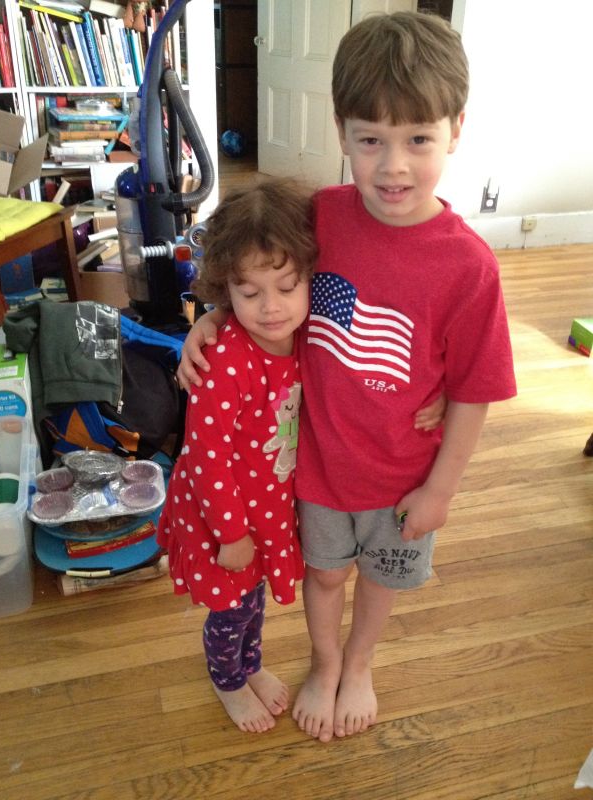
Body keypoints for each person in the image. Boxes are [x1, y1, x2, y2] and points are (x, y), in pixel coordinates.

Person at [177, 11, 516, 743]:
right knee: (326, 577)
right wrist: (214, 318)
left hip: (404, 478)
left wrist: (441, 489)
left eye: (418, 139)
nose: (393, 166)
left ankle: (359, 664)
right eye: (370, 140)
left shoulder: (470, 267)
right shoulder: (319, 216)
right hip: (317, 468)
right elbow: (254, 267)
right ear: (340, 132)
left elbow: (474, 392)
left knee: (382, 582)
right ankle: (326, 662)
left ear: (456, 130)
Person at [157, 179, 317, 733]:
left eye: (287, 286)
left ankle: (250, 665)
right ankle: (227, 680)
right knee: (230, 609)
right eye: (249, 294)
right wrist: (230, 534)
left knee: (252, 601)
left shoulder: (304, 336)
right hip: (223, 517)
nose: (271, 307)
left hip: (266, 509)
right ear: (225, 289)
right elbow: (205, 458)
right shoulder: (225, 361)